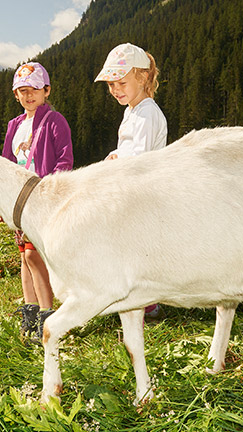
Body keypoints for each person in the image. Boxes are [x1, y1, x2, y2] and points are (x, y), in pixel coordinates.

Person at [0, 62, 73, 341]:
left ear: (46, 90)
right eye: (22, 90)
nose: (29, 95)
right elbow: (6, 164)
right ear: (16, 94)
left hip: (42, 199)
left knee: (34, 255)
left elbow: (65, 159)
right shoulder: (14, 125)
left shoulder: (55, 121)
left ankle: (47, 315)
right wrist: (2, 201)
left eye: (34, 89)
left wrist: (50, 192)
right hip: (18, 201)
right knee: (24, 256)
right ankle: (30, 312)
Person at [95, 43, 167, 319]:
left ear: (143, 77)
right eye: (111, 84)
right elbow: (126, 149)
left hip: (142, 190)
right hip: (128, 186)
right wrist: (113, 157)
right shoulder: (132, 111)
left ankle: (146, 305)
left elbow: (141, 158)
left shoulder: (147, 113)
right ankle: (136, 300)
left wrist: (118, 164)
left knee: (137, 248)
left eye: (121, 82)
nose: (115, 90)